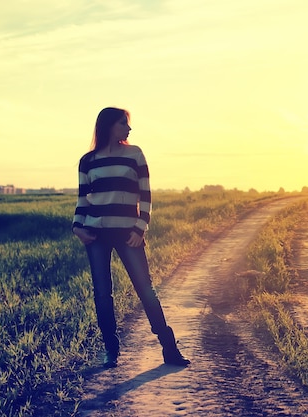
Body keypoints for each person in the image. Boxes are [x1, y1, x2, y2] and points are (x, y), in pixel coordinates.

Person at [72, 107, 190, 368]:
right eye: (124, 123)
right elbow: (83, 199)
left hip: (128, 234)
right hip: (96, 234)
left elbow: (145, 193)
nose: (129, 128)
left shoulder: (134, 154)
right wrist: (77, 227)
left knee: (146, 289)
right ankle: (111, 351)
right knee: (102, 294)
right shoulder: (88, 161)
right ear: (109, 126)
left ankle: (169, 348)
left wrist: (140, 228)